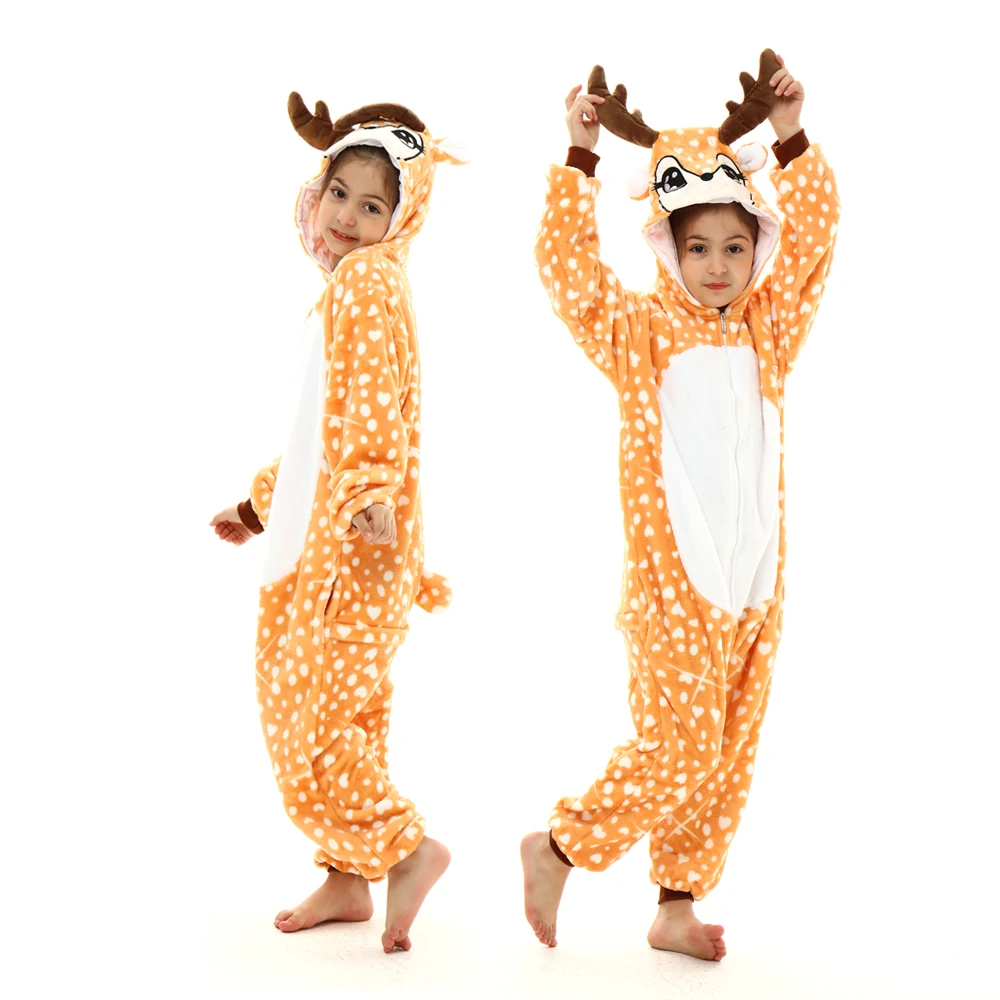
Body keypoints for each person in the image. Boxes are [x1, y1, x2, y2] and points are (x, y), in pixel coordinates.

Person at [521, 51, 840, 961]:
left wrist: (791, 136)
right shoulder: (641, 332)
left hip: (753, 584)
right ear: (666, 247)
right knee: (683, 747)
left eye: (735, 246)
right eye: (697, 247)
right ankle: (560, 846)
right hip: (673, 586)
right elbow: (568, 272)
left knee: (727, 753)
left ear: (757, 246)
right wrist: (579, 157)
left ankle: (676, 901)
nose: (717, 265)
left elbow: (816, 244)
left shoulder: (769, 329)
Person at [209, 94, 465, 954]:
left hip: (353, 547)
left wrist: (367, 493)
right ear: (315, 194)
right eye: (340, 195)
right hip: (353, 539)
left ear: (403, 216)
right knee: (351, 718)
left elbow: (367, 413)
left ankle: (403, 849)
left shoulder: (364, 281)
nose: (350, 217)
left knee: (308, 716)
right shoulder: (360, 289)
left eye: (374, 204)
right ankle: (348, 879)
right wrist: (260, 505)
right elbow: (320, 429)